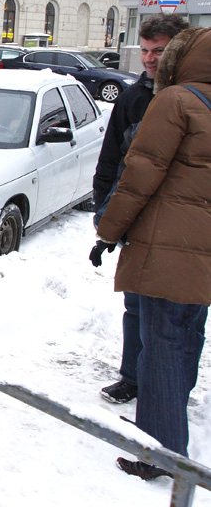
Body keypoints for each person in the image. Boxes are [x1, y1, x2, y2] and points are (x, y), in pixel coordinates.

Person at [94, 26, 211, 480]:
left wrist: (108, 230)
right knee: (185, 341)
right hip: (201, 254)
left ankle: (158, 453)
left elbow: (140, 173)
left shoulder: (176, 101)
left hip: (167, 250)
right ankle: (171, 429)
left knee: (159, 347)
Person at [91, 13, 188, 405]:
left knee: (176, 315)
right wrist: (104, 210)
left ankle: (173, 385)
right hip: (137, 216)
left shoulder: (192, 98)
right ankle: (133, 376)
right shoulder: (134, 96)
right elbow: (112, 157)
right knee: (135, 302)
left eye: (159, 51)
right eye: (145, 50)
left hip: (180, 224)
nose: (149, 59)